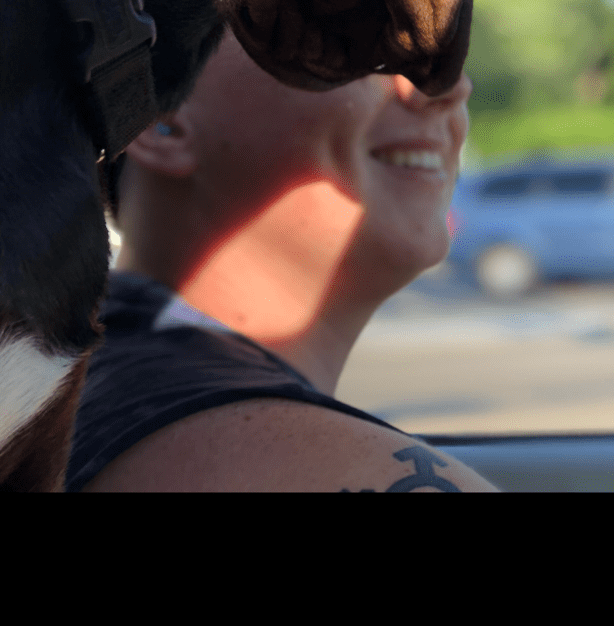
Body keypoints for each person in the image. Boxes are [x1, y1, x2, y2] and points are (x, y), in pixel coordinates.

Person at [66, 28, 498, 492]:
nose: (449, 88)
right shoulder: (309, 465)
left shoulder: (84, 381)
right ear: (155, 116)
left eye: (443, 48)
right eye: (352, 35)